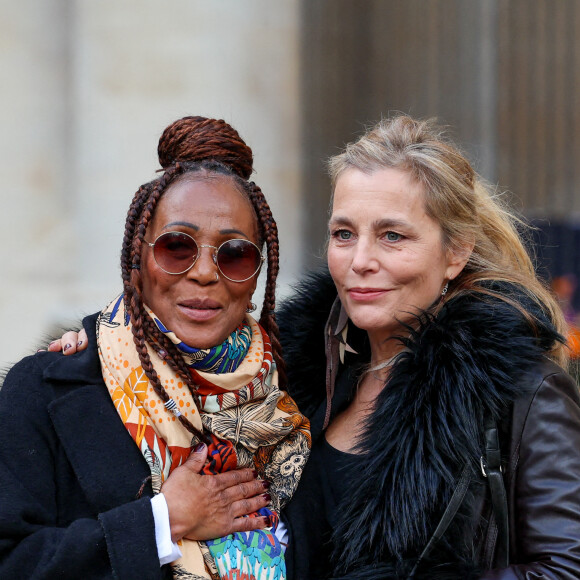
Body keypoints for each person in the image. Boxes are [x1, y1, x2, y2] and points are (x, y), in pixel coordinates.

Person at [48, 115, 580, 579]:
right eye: (344, 233)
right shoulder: (289, 373)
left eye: (393, 236)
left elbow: (566, 567)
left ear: (455, 253)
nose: (360, 260)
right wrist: (99, 350)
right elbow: (182, 365)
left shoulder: (524, 390)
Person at [0, 116, 310, 579]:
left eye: (234, 254)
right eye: (177, 247)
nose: (205, 272)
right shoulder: (47, 388)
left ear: (256, 277)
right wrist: (162, 521)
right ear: (138, 262)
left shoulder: (296, 396)